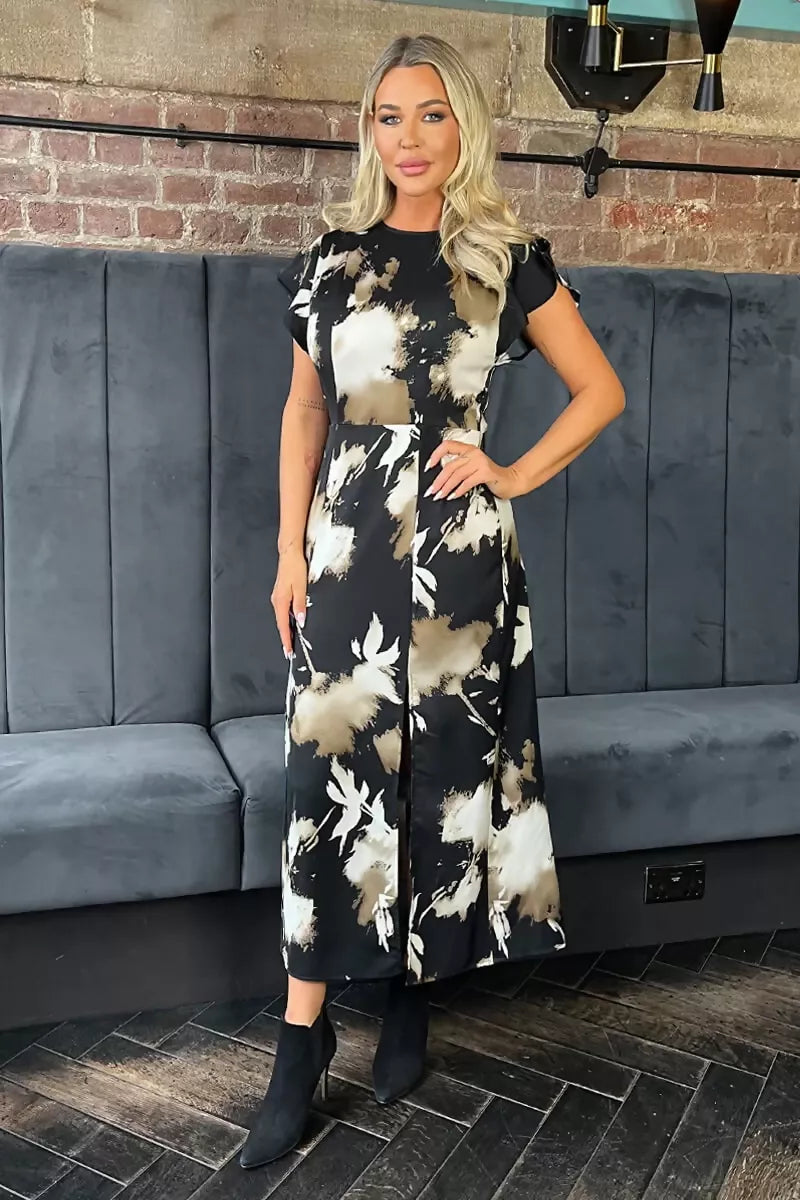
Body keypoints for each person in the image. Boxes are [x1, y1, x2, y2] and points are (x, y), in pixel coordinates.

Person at [239, 31, 625, 1171]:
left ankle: (410, 990)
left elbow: (598, 389)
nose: (408, 139)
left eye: (431, 115)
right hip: (344, 555)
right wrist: (286, 554)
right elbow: (304, 411)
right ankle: (300, 1041)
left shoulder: (506, 258)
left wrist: (509, 471)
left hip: (460, 563)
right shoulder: (331, 260)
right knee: (328, 783)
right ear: (371, 132)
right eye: (389, 117)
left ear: (464, 127)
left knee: (442, 777)